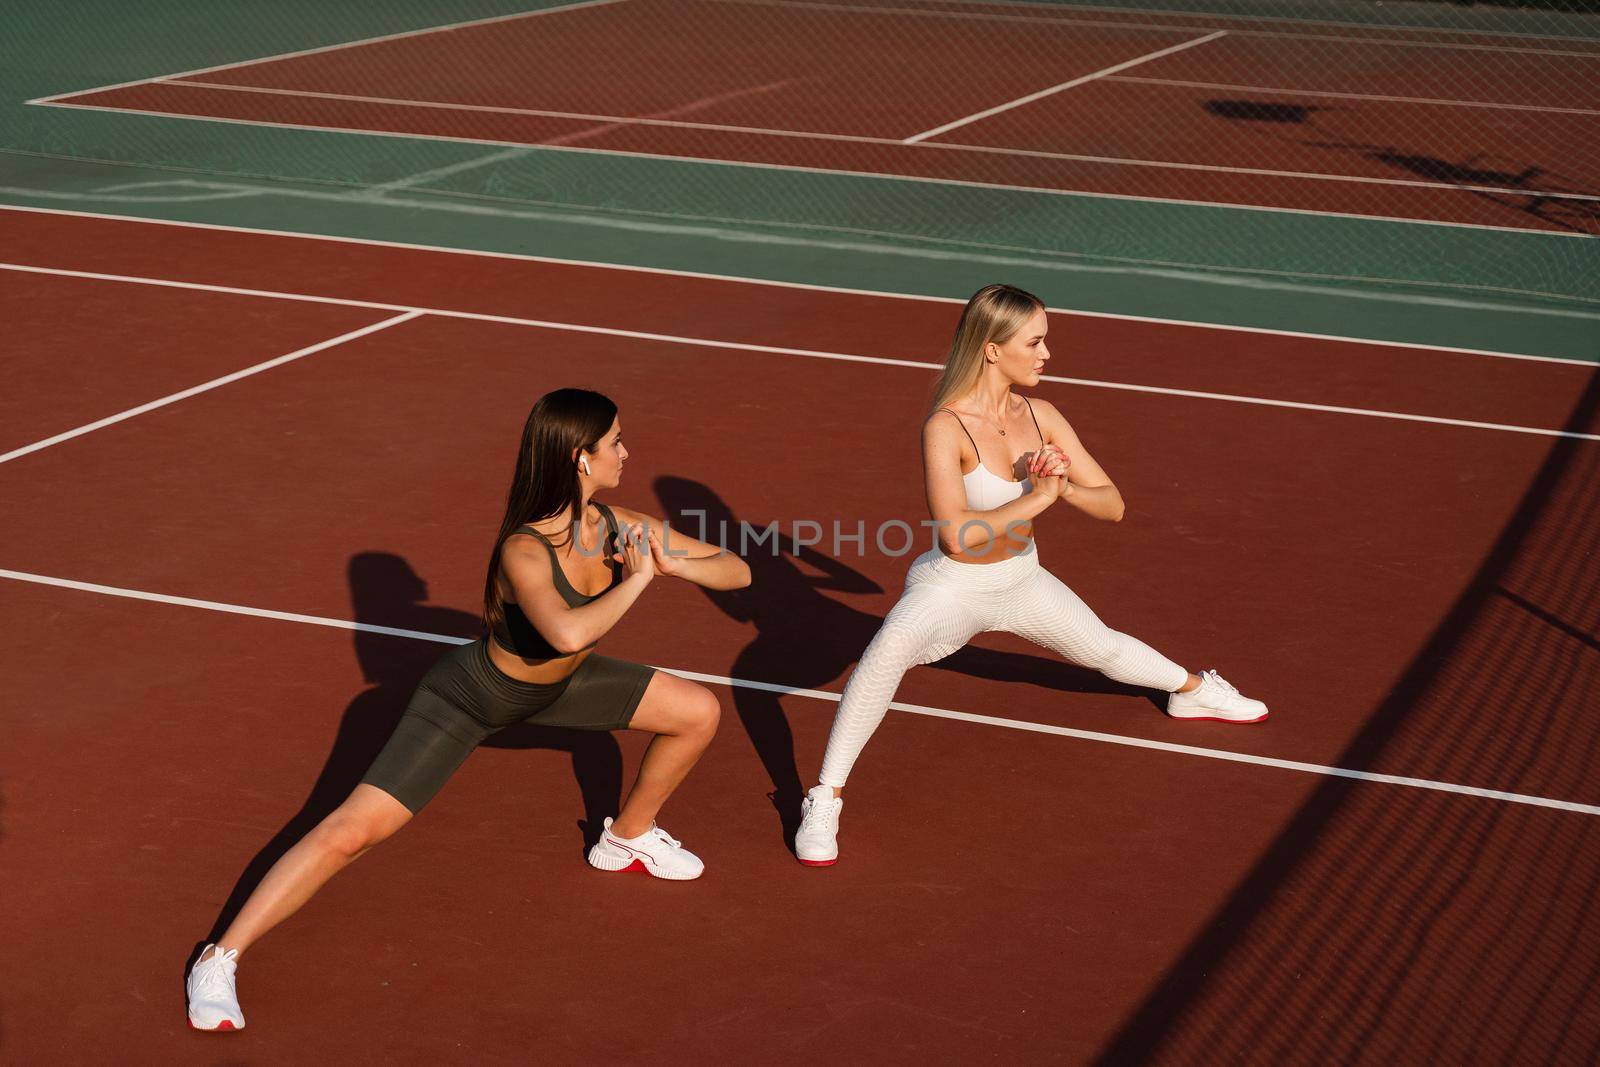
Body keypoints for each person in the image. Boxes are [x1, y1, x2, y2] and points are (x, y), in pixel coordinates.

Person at [186, 388, 750, 1030]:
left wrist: (673, 562)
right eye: (615, 440)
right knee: (350, 834)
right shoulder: (525, 549)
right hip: (470, 698)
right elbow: (567, 634)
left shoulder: (619, 524)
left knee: (697, 711)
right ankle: (220, 957)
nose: (627, 450)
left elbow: (736, 571)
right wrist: (643, 579)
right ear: (580, 458)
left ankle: (626, 838)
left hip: (561, 688)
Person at [793, 285, 1268, 867]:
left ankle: (1192, 693)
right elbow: (956, 535)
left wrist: (1063, 484)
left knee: (1102, 649)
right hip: (954, 587)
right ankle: (825, 798)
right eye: (1035, 342)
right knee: (883, 655)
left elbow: (1113, 505)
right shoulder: (946, 427)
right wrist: (1041, 499)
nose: (1047, 354)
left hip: (1022, 579)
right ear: (992, 350)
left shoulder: (1042, 415)